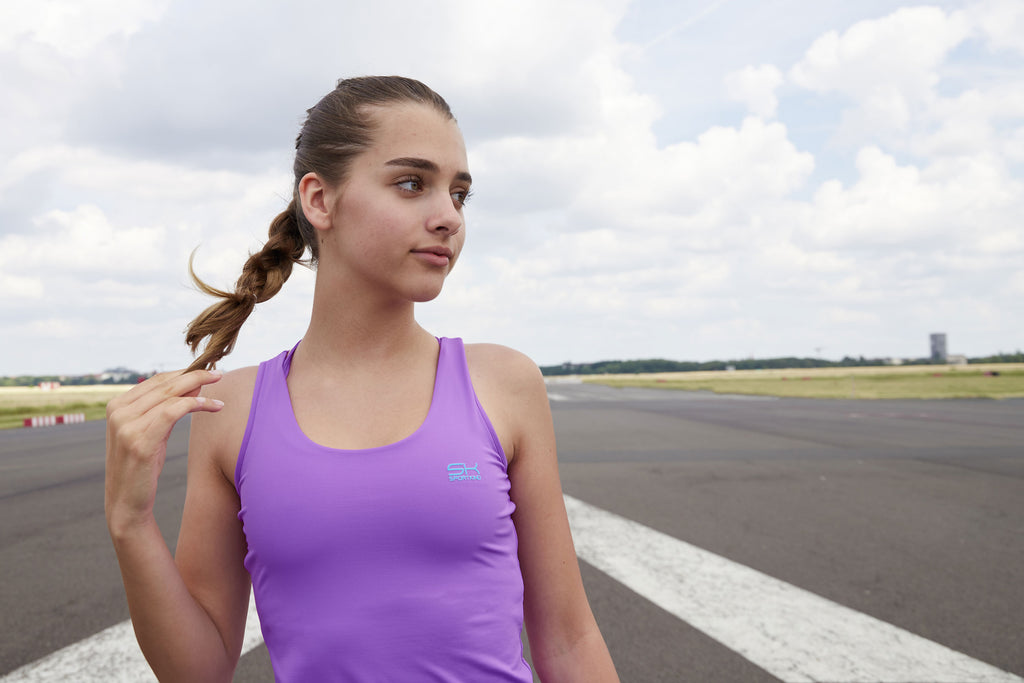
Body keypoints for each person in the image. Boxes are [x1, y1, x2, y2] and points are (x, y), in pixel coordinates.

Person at [104, 75, 620, 682]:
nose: (448, 217)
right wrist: (129, 523)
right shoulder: (230, 411)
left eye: (459, 194)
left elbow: (568, 638)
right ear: (319, 201)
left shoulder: (503, 382)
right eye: (411, 184)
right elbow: (197, 671)